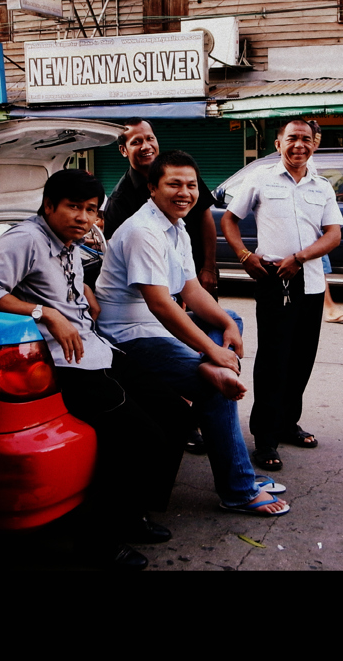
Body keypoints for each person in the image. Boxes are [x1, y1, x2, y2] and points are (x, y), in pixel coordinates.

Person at [0, 170, 186, 570]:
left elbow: (56, 284)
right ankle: (99, 546)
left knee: (175, 411)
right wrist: (45, 312)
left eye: (90, 210)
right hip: (69, 364)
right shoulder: (26, 238)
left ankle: (133, 513)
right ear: (49, 206)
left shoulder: (68, 243)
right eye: (73, 207)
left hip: (97, 348)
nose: (83, 218)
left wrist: (79, 293)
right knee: (139, 438)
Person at [96, 150, 289, 516]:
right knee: (215, 387)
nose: (184, 192)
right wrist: (212, 353)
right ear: (152, 188)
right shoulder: (143, 230)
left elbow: (191, 291)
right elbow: (161, 305)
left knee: (227, 318)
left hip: (154, 327)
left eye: (190, 185)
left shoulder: (175, 225)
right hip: (128, 336)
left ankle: (209, 375)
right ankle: (238, 490)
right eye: (174, 184)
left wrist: (228, 326)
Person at [220, 118, 343, 472]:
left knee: (302, 357)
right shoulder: (259, 180)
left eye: (306, 139)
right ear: (278, 144)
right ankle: (265, 437)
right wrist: (245, 255)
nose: (299, 145)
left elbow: (333, 234)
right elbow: (229, 220)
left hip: (311, 280)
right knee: (274, 359)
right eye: (292, 139)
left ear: (314, 144)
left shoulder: (321, 186)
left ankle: (288, 423)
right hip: (274, 279)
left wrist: (302, 257)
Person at [103, 118, 217, 454]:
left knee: (227, 322)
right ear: (124, 150)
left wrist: (207, 269)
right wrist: (213, 353)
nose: (146, 146)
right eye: (136, 142)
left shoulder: (178, 178)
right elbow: (155, 300)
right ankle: (192, 415)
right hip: (144, 313)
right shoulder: (127, 206)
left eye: (149, 138)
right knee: (214, 379)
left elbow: (206, 219)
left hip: (174, 289)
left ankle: (192, 410)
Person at [306, 121, 343, 325]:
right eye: (313, 139)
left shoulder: (311, 162)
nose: (315, 144)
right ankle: (328, 308)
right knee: (318, 265)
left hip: (316, 226)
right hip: (312, 227)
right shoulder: (305, 163)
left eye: (316, 140)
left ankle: (328, 307)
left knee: (319, 266)